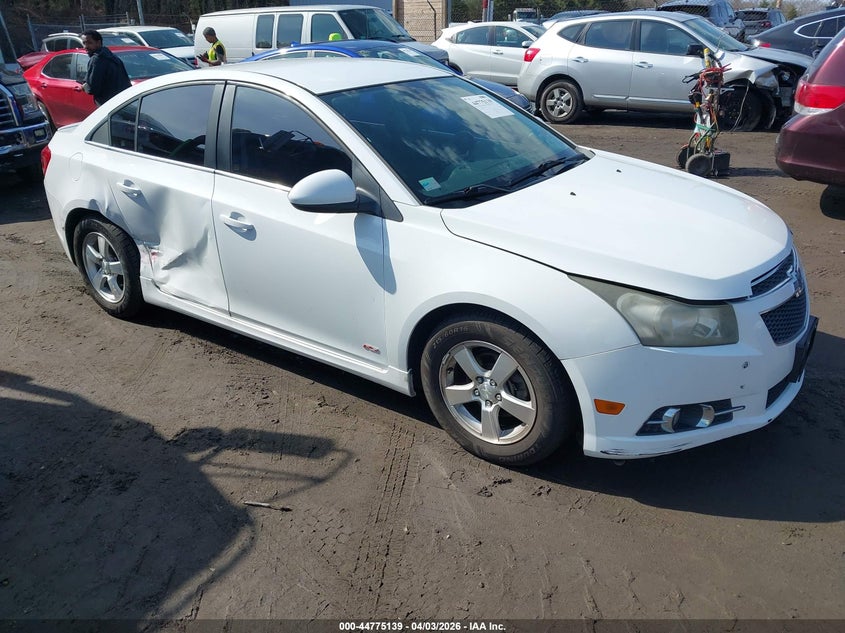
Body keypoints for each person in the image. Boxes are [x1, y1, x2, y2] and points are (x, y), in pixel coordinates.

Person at [81, 30, 131, 106]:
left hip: (108, 105)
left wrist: (84, 86)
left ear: (98, 42)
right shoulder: (113, 57)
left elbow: (92, 88)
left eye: (89, 43)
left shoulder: (97, 59)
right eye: (84, 43)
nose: (85, 46)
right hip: (124, 102)